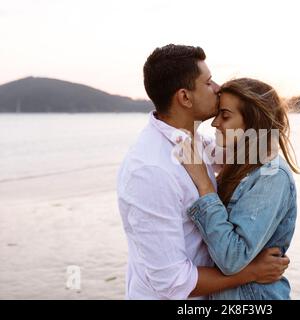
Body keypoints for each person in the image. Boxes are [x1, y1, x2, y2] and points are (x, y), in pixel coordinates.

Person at [116, 44, 290, 300]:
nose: (218, 88)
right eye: (208, 82)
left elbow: (246, 152)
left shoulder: (195, 142)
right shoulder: (151, 172)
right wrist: (252, 272)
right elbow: (173, 282)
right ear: (185, 97)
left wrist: (259, 116)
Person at [177, 78, 299, 299]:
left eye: (224, 115)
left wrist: (204, 183)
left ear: (253, 123)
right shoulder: (239, 165)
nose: (215, 123)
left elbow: (232, 258)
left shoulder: (271, 175)